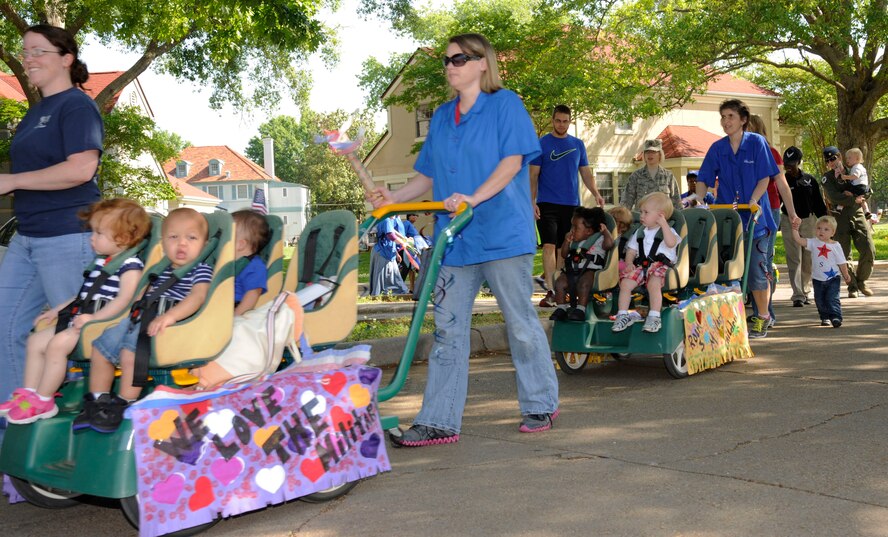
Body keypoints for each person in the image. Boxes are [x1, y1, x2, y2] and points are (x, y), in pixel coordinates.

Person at [368, 33, 559, 446]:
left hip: (504, 233)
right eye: (447, 61)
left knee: (521, 325)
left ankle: (539, 402)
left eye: (459, 58)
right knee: (447, 330)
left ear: (482, 63)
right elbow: (429, 174)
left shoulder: (505, 104)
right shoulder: (440, 116)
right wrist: (394, 198)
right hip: (455, 241)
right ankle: (439, 420)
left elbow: (512, 162)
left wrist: (473, 196)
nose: (450, 66)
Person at [0, 24, 103, 437]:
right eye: (25, 52)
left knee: (74, 341)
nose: (28, 58)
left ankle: (70, 436)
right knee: (7, 331)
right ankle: (13, 436)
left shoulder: (76, 107)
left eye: (39, 51)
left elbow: (82, 169)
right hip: (28, 236)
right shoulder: (35, 111)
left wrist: (12, 181)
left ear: (66, 59)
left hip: (68, 235)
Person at [0, 199, 150, 424]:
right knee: (35, 342)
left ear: (123, 238)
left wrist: (93, 319)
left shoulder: (130, 266)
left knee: (56, 346)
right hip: (81, 319)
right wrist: (57, 310)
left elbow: (124, 300)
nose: (92, 237)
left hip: (101, 326)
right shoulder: (102, 262)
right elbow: (82, 294)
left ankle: (44, 399)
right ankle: (29, 393)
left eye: (99, 233)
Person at [75, 208, 212, 433]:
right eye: (173, 237)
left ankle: (124, 402)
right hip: (139, 318)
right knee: (100, 348)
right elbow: (142, 294)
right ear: (163, 242)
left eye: (191, 238)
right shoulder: (160, 268)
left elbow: (197, 297)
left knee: (131, 353)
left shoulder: (201, 269)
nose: (182, 244)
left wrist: (170, 316)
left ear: (204, 245)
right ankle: (97, 402)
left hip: (169, 323)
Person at [695, 99, 794, 339]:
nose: (725, 121)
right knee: (728, 270)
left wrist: (753, 200)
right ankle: (731, 317)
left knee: (756, 271)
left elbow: (765, 179)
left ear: (743, 120)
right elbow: (703, 178)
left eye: (730, 116)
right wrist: (699, 201)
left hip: (756, 219)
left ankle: (763, 317)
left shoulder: (757, 143)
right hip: (727, 219)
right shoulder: (717, 148)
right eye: (723, 117)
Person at [530, 104, 605, 307]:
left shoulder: (577, 144)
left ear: (569, 122)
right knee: (548, 245)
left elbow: (585, 173)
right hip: (547, 204)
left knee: (564, 248)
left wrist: (596, 193)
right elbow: (533, 175)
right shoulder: (542, 144)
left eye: (565, 121)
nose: (561, 124)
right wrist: (532, 201)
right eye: (557, 120)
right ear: (552, 120)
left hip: (571, 204)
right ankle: (551, 290)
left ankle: (560, 289)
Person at [190, 210, 270, 389]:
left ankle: (210, 374)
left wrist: (235, 316)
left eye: (227, 236)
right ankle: (195, 369)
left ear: (240, 244)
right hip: (217, 308)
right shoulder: (226, 264)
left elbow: (252, 296)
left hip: (234, 310)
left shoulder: (254, 266)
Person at [745, 115, 800, 326]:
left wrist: (793, 213)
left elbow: (783, 186)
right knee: (750, 262)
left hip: (769, 210)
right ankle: (759, 309)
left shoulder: (771, 152)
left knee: (762, 260)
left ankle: (767, 314)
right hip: (745, 210)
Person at [611, 192, 680, 334]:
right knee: (625, 283)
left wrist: (664, 225)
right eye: (641, 212)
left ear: (660, 215)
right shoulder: (640, 232)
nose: (641, 216)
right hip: (642, 266)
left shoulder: (668, 230)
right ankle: (622, 314)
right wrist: (629, 262)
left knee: (653, 284)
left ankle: (654, 316)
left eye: (645, 212)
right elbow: (631, 250)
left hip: (661, 266)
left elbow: (671, 242)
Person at [820, 146, 875, 298]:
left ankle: (862, 281)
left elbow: (866, 188)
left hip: (857, 213)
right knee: (844, 254)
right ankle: (852, 286)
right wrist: (853, 199)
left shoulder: (854, 169)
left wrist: (862, 196)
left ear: (840, 157)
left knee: (868, 247)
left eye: (833, 158)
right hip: (840, 217)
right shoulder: (827, 178)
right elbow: (834, 197)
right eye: (828, 161)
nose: (832, 162)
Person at [780, 146, 827, 307]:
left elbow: (818, 203)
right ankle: (798, 294)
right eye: (787, 164)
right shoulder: (782, 180)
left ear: (799, 162)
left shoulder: (809, 180)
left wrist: (825, 223)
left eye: (792, 163)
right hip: (789, 221)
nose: (790, 167)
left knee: (807, 258)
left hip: (808, 221)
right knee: (794, 258)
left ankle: (806, 291)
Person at [549, 207, 613, 322]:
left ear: (588, 231)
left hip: (590, 270)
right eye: (571, 226)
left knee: (585, 283)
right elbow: (564, 254)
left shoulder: (599, 239)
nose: (572, 230)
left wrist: (606, 232)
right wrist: (566, 242)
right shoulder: (573, 240)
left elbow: (609, 245)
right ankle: (561, 308)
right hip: (571, 270)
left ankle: (580, 309)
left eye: (576, 227)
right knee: (559, 283)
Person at [790, 216, 851, 327]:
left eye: (826, 229)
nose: (821, 231)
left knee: (832, 298)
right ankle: (825, 317)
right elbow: (799, 240)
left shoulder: (836, 246)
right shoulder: (813, 242)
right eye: (819, 228)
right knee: (820, 300)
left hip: (833, 278)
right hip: (817, 279)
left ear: (833, 232)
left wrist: (846, 274)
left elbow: (842, 262)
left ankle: (836, 317)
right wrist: (795, 229)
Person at [620, 139, 682, 213]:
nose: (650, 155)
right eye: (647, 152)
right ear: (644, 155)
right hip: (642, 221)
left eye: (653, 152)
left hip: (663, 221)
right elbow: (626, 202)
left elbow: (677, 202)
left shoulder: (668, 176)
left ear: (660, 154)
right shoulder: (636, 176)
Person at [369, 215, 409, 296]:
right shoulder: (386, 220)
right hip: (383, 252)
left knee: (393, 274)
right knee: (388, 274)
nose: (396, 216)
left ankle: (399, 291)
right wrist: (402, 243)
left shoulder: (385, 220)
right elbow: (391, 235)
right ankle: (382, 293)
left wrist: (404, 240)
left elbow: (393, 232)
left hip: (385, 252)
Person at [837, 148, 871, 217]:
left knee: (846, 192)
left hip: (858, 186)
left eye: (849, 158)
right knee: (862, 200)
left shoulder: (856, 167)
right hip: (864, 188)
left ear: (857, 159)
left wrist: (846, 177)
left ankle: (839, 208)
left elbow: (856, 176)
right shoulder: (861, 167)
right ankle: (866, 212)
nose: (847, 160)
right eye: (847, 158)